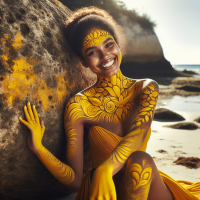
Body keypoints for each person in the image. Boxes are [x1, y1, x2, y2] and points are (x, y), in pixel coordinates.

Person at [19, 6, 200, 200]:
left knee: (140, 159)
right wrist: (39, 148)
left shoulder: (146, 89)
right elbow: (75, 181)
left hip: (145, 186)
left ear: (118, 46)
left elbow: (138, 135)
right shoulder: (78, 106)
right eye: (92, 52)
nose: (105, 55)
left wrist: (105, 170)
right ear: (82, 61)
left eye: (108, 45)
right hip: (102, 192)